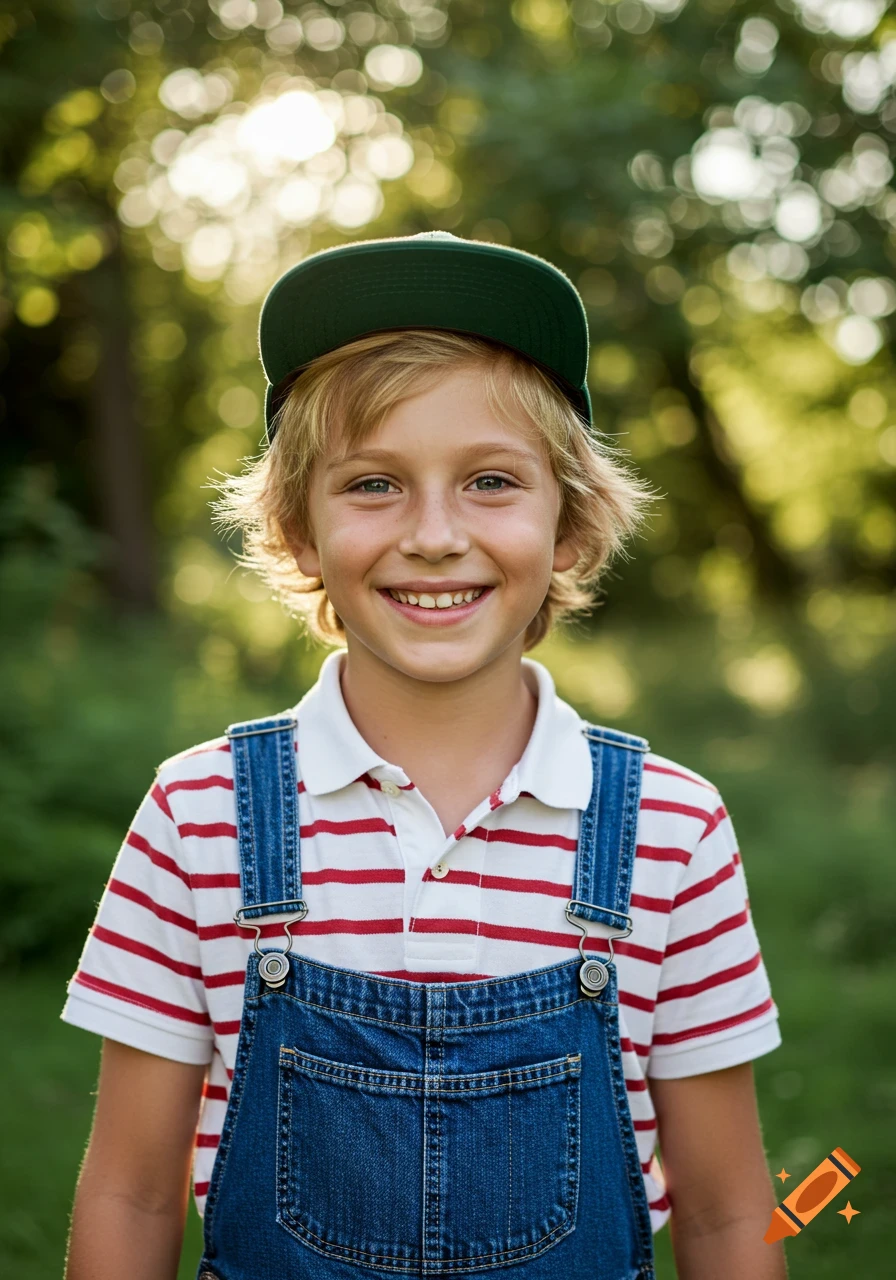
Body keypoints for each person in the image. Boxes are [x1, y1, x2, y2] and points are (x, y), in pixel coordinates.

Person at [62, 231, 787, 1280]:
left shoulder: (671, 828)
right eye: (372, 484)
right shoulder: (198, 814)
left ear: (569, 524)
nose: (435, 533)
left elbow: (731, 1213)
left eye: (490, 480)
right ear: (299, 528)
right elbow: (130, 1190)